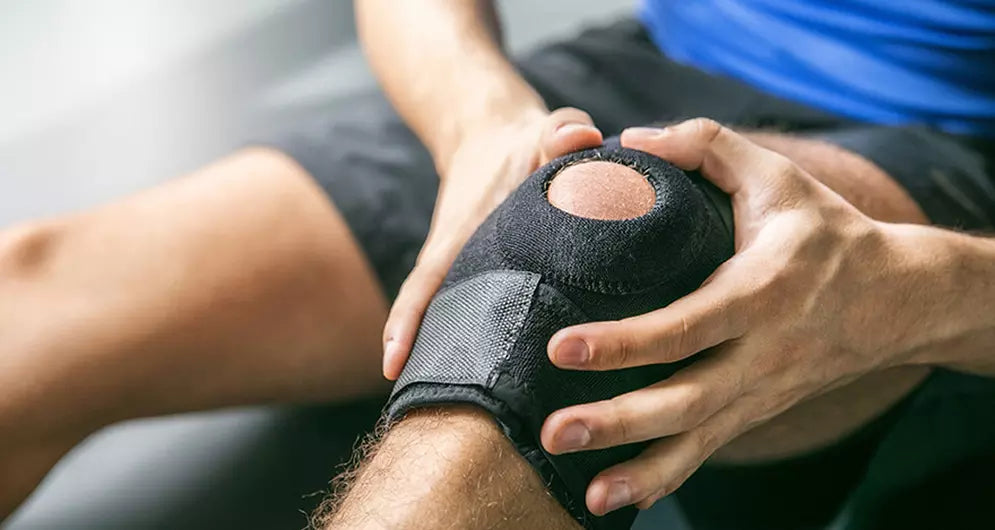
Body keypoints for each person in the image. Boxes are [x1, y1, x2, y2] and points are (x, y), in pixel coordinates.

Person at [1, 0, 993, 528]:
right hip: (643, 69)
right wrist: (477, 121)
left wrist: (925, 291)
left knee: (601, 237)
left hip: (959, 146)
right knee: (23, 312)